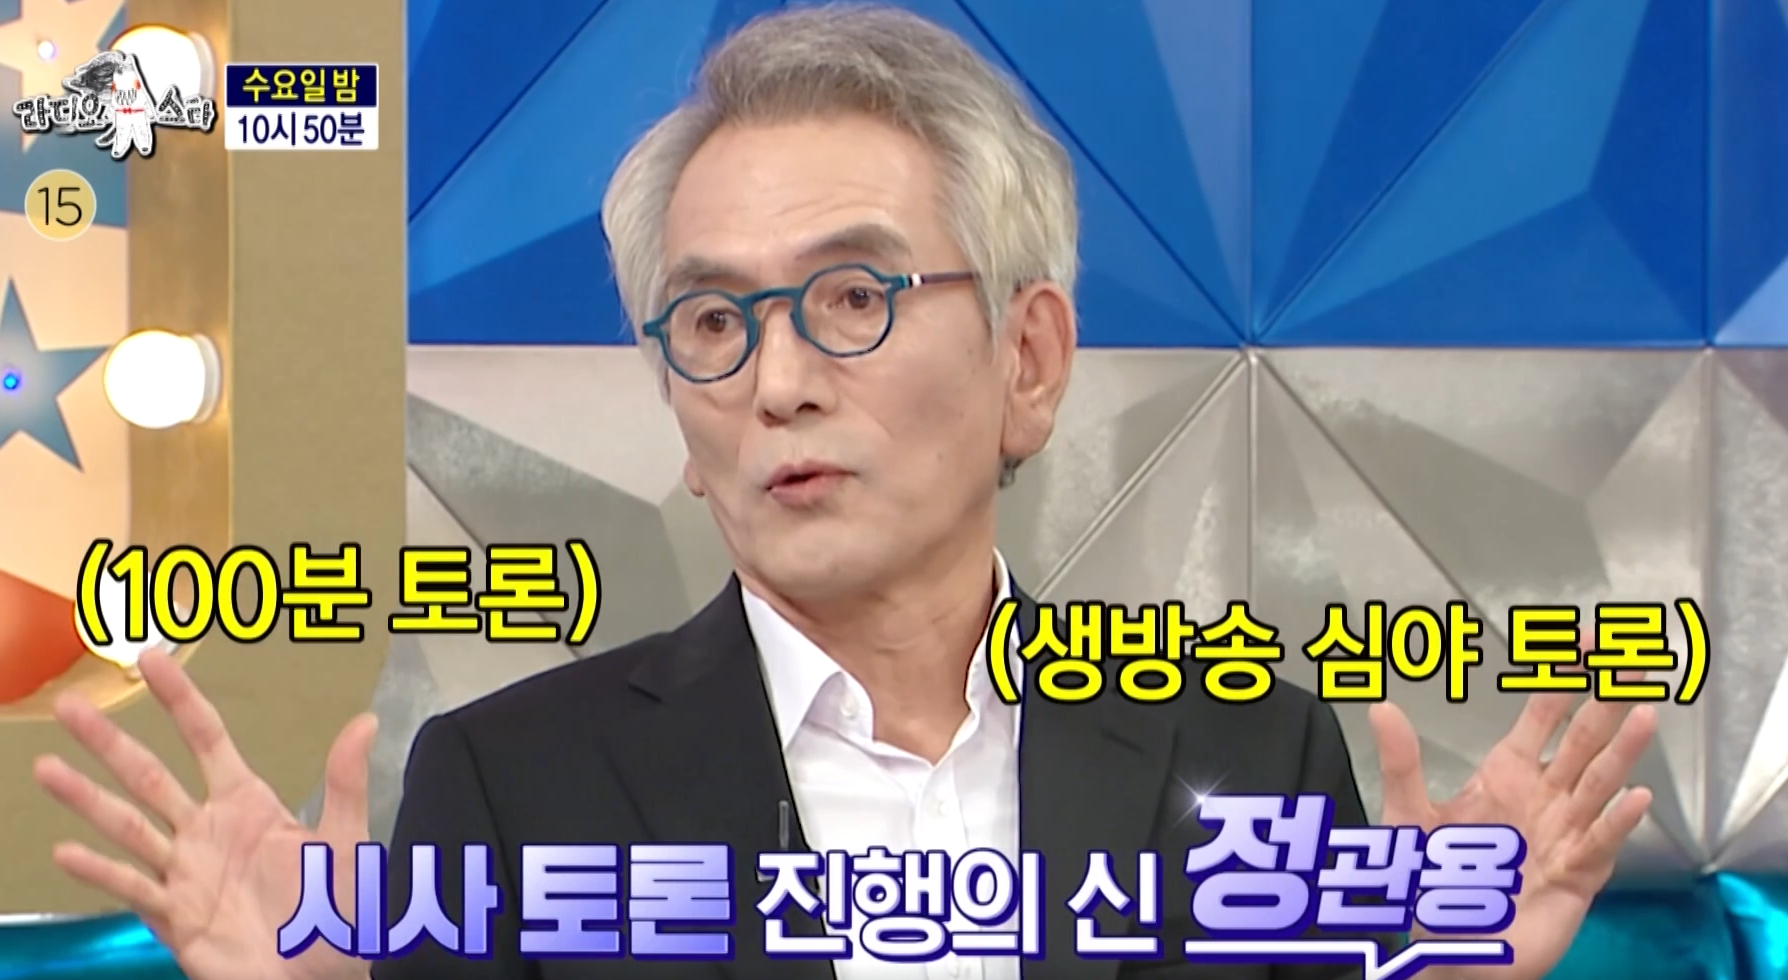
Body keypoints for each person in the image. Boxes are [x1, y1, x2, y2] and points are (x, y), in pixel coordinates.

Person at [32, 5, 1658, 980]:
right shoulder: (515, 793)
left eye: (855, 297)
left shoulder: (1248, 755)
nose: (780, 381)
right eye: (713, 322)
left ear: (1029, 357)